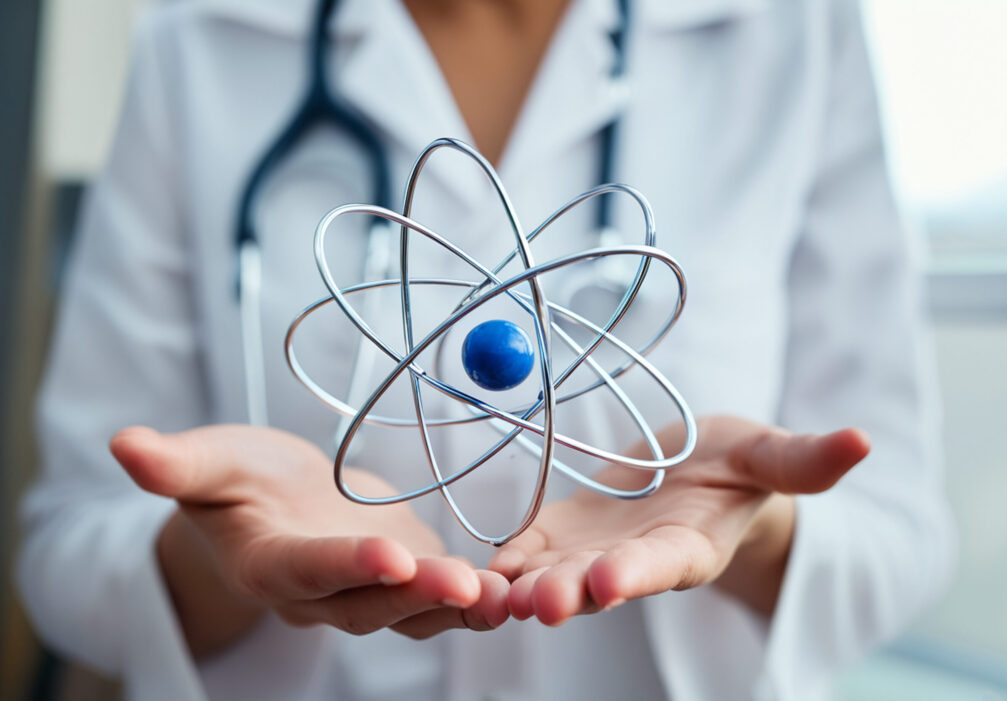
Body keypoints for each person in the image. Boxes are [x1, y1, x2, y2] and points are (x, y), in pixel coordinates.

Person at [18, 0, 955, 699]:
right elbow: (66, 552)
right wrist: (205, 557)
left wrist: (761, 529)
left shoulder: (790, 33)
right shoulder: (198, 44)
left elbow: (898, 542)